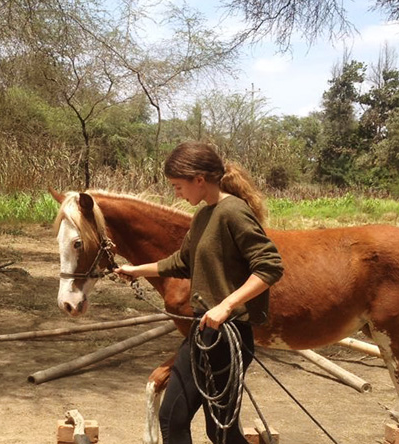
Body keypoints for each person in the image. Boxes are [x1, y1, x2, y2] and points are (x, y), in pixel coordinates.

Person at [116, 141, 284, 444]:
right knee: (172, 417)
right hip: (202, 332)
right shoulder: (204, 216)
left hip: (228, 334)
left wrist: (227, 305)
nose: (176, 193)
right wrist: (136, 270)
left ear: (199, 179)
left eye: (178, 186)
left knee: (221, 431)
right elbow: (182, 262)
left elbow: (270, 267)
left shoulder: (233, 211)